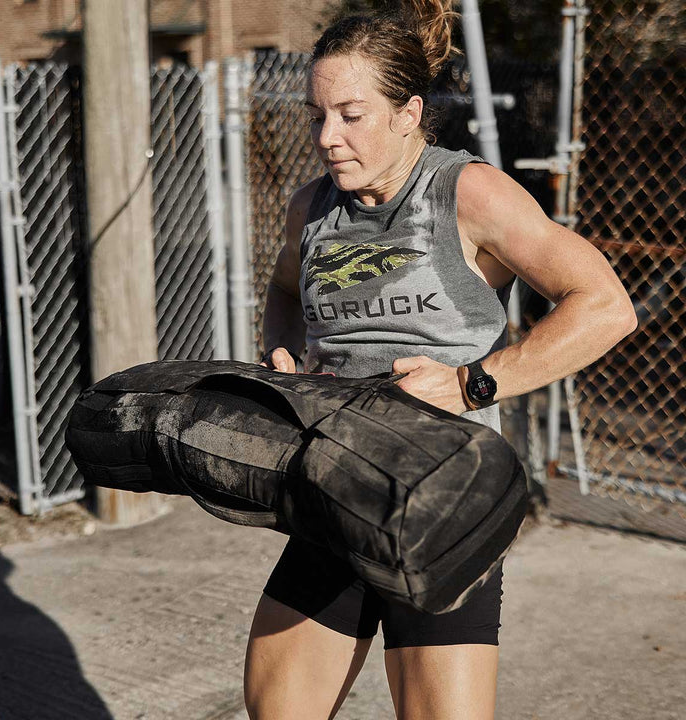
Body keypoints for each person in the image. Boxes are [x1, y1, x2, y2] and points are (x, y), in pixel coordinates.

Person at [245, 2, 637, 718]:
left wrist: (473, 382)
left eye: (351, 114)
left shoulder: (467, 191)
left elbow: (606, 305)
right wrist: (282, 351)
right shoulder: (314, 207)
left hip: (441, 505)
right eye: (316, 115)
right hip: (329, 489)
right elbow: (280, 290)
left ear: (407, 113)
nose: (327, 137)